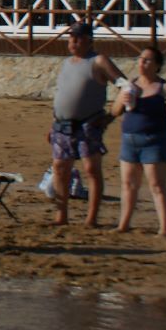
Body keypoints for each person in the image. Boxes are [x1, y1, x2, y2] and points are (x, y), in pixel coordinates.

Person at [50, 21, 123, 227]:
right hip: (62, 125)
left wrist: (111, 115)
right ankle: (61, 216)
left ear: (89, 40)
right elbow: (61, 94)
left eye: (78, 37)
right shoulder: (67, 62)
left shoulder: (99, 60)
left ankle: (91, 219)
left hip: (88, 124)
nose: (73, 41)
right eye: (71, 37)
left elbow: (124, 87)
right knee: (60, 169)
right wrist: (53, 122)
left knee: (91, 169)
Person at [111, 46, 166, 237]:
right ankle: (123, 224)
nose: (142, 63)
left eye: (147, 60)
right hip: (130, 139)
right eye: (140, 59)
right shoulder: (131, 85)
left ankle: (163, 228)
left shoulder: (165, 88)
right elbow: (115, 111)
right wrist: (121, 99)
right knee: (128, 184)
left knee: (157, 185)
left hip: (155, 141)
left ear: (157, 65)